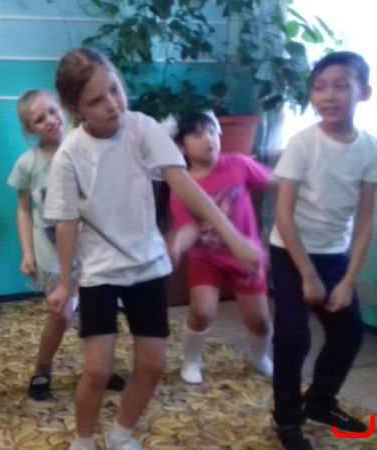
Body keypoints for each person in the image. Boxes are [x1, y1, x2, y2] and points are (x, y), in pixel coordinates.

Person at [44, 48, 260, 450]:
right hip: (99, 272)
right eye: (96, 100)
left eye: (115, 89)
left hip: (147, 267)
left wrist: (233, 237)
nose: (112, 104)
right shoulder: (69, 155)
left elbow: (184, 184)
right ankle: (83, 440)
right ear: (76, 109)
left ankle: (120, 433)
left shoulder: (142, 128)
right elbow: (66, 223)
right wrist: (64, 283)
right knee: (97, 370)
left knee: (153, 364)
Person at [269, 51, 376, 450]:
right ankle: (287, 418)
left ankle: (320, 401)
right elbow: (283, 216)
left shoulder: (369, 148)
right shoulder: (303, 143)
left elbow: (365, 220)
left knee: (348, 334)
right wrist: (308, 275)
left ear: (364, 92)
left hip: (334, 256)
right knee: (293, 338)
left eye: (341, 86)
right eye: (319, 87)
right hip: (290, 252)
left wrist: (348, 281)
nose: (328, 96)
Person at [7, 89, 124, 401]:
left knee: (98, 313)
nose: (49, 121)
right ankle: (42, 368)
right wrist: (27, 252)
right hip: (51, 253)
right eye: (38, 119)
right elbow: (23, 210)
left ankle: (101, 367)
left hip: (90, 250)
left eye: (51, 111)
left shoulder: (85, 150)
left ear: (63, 110)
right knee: (61, 315)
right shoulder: (28, 164)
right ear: (29, 129)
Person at [167, 111, 274, 385]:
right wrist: (176, 246)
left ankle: (260, 357)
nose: (208, 139)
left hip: (246, 257)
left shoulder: (238, 164)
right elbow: (189, 228)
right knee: (202, 311)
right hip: (206, 258)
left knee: (260, 321)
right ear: (181, 147)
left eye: (212, 131)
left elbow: (275, 183)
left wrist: (300, 184)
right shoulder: (183, 186)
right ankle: (192, 359)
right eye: (198, 134)